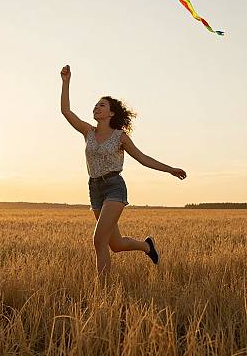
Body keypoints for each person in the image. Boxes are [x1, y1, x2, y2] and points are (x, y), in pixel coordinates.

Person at [60, 64, 187, 278]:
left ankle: (103, 292)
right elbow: (66, 111)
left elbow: (142, 158)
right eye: (95, 106)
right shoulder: (87, 131)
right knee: (115, 244)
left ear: (111, 113)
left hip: (114, 188)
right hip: (94, 189)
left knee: (98, 240)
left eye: (101, 105)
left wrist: (170, 169)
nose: (96, 108)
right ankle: (147, 246)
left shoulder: (120, 137)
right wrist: (66, 83)